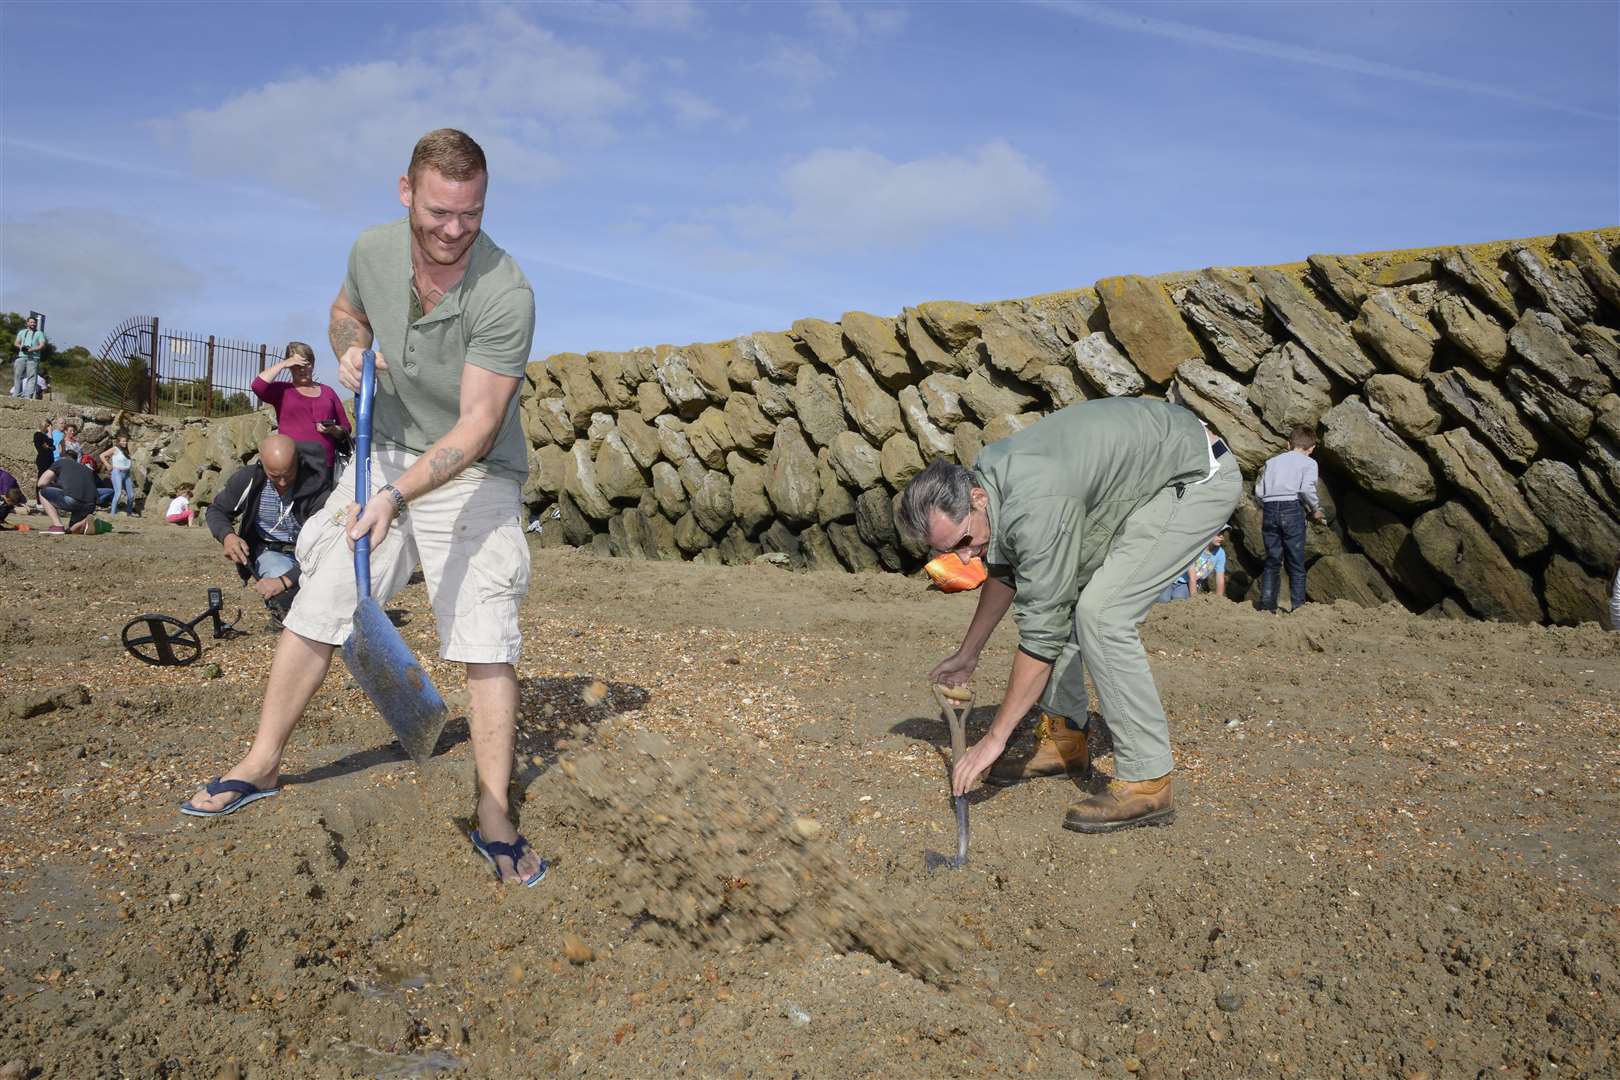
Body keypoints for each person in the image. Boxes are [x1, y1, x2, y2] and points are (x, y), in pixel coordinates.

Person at [181, 129, 543, 888]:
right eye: (440, 211)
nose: (453, 230)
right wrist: (348, 345)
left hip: (472, 470)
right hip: (387, 453)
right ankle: (262, 762)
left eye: (470, 215)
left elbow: (477, 427)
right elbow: (347, 310)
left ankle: (493, 813)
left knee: (486, 626)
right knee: (327, 596)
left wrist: (394, 496)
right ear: (406, 191)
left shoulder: (505, 292)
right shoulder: (372, 250)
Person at [897, 398, 1241, 833]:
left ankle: (1149, 780)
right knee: (1059, 594)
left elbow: (1041, 633)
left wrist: (994, 740)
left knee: (1102, 615)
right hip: (1144, 476)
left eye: (964, 540)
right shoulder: (992, 478)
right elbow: (1009, 571)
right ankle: (1066, 740)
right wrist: (969, 653)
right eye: (949, 552)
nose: (964, 558)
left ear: (977, 497)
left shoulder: (1035, 499)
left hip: (1195, 476)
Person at [205, 434, 333, 625]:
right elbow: (216, 510)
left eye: (288, 474)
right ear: (261, 463)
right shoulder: (247, 479)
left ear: (297, 461)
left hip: (312, 554)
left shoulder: (317, 486)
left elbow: (327, 544)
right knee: (280, 580)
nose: (282, 482)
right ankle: (284, 611)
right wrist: (228, 536)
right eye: (274, 476)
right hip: (271, 552)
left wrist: (285, 580)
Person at [1254, 425, 1327, 613]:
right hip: (1291, 508)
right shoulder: (1309, 463)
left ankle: (1267, 606)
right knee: (1295, 561)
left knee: (1272, 560)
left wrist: (1268, 505)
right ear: (1311, 449)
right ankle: (1298, 608)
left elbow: (1259, 491)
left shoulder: (1272, 461)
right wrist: (1316, 509)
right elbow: (1306, 489)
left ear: (1288, 444)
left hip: (1270, 508)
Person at [252, 341, 352, 468]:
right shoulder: (282, 390)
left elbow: (346, 428)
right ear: (289, 366)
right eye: (296, 365)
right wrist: (283, 364)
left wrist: (333, 430)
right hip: (292, 467)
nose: (302, 369)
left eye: (306, 363)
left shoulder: (328, 392)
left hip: (324, 467)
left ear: (313, 364)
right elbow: (257, 386)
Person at [38, 453, 102, 535]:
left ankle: (58, 526)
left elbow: (41, 483)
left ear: (63, 458)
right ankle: (83, 523)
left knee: (42, 492)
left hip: (73, 500)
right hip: (90, 504)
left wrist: (54, 484)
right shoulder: (86, 469)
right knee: (71, 530)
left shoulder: (60, 462)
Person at [100, 435, 138, 515]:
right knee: (118, 493)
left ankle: (129, 513)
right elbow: (102, 455)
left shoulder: (127, 451)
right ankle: (113, 514)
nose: (125, 442)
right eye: (123, 441)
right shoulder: (115, 449)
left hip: (127, 474)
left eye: (126, 441)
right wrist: (107, 464)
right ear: (119, 442)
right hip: (117, 472)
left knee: (131, 495)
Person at [10, 315, 45, 398]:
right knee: (18, 376)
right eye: (31, 322)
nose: (33, 324)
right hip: (21, 356)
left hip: (33, 358)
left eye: (34, 322)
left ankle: (27, 397)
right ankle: (16, 394)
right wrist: (21, 347)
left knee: (31, 377)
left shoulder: (39, 333)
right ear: (27, 323)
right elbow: (16, 343)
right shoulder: (22, 332)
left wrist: (32, 349)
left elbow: (42, 345)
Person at [32, 419, 55, 509]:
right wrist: (50, 434)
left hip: (49, 460)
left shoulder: (44, 436)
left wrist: (49, 447)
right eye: (49, 427)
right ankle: (39, 501)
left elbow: (53, 447)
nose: (50, 429)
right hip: (43, 460)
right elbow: (48, 445)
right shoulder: (38, 434)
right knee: (41, 479)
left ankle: (47, 500)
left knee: (49, 481)